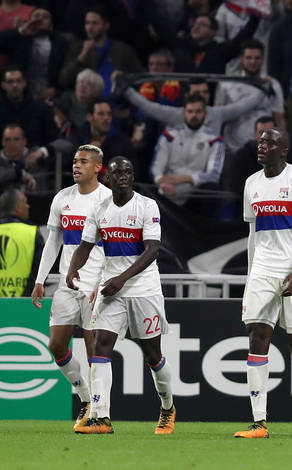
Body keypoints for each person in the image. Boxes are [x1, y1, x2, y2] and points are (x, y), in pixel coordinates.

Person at [69, 156, 175, 435]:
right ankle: (100, 417)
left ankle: (167, 407)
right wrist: (72, 269)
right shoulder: (99, 208)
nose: (124, 176)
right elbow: (85, 246)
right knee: (101, 346)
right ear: (108, 178)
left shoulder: (147, 206)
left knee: (153, 355)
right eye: (118, 173)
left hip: (143, 289)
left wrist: (122, 279)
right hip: (111, 289)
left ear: (133, 176)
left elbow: (152, 250)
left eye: (128, 171)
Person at [235, 127, 292, 439]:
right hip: (263, 269)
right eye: (260, 141)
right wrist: (251, 274)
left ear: (284, 150)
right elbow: (252, 235)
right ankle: (259, 422)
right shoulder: (251, 183)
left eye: (269, 142)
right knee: (257, 336)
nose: (262, 146)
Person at [30, 145, 110, 432]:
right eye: (75, 161)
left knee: (93, 350)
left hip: (95, 285)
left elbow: (114, 246)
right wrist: (40, 279)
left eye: (84, 162)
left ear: (98, 167)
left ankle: (100, 413)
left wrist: (103, 282)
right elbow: (53, 241)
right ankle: (86, 398)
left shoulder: (108, 200)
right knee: (56, 345)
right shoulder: (62, 198)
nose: (77, 165)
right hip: (67, 282)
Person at [121, 78, 265, 139]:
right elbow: (149, 107)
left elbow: (243, 105)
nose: (201, 96)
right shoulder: (177, 115)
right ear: (187, 95)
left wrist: (263, 90)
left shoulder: (217, 113)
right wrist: (126, 90)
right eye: (197, 93)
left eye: (205, 92)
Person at [150, 93, 224, 205]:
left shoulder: (214, 139)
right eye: (190, 111)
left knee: (212, 187)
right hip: (167, 191)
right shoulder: (169, 135)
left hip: (196, 196)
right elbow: (156, 167)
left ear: (205, 113)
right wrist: (161, 181)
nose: (194, 115)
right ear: (184, 113)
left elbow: (214, 174)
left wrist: (182, 179)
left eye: (198, 111)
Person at [214, 39, 285, 152]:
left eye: (257, 58)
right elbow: (217, 118)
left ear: (263, 59)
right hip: (233, 148)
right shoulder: (226, 83)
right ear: (241, 58)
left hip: (265, 149)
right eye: (248, 58)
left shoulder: (273, 85)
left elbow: (279, 118)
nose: (253, 62)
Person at [58, 8, 142, 97]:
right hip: (89, 102)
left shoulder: (122, 49)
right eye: (87, 23)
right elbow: (63, 80)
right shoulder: (78, 49)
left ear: (106, 26)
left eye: (95, 23)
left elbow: (140, 76)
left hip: (119, 101)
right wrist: (81, 56)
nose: (90, 27)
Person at [0, 7, 68, 101]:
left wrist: (57, 90)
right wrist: (20, 31)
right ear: (29, 21)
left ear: (51, 25)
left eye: (45, 17)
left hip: (48, 94)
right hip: (19, 92)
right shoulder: (19, 38)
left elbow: (65, 71)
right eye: (36, 16)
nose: (40, 19)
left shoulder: (61, 42)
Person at [0, 65, 57, 148]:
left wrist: (42, 151)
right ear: (3, 85)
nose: (15, 85)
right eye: (10, 82)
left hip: (35, 152)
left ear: (24, 83)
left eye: (18, 81)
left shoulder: (41, 108)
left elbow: (53, 138)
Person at [0, 187, 42, 296]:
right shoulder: (32, 233)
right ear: (17, 207)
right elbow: (41, 272)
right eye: (25, 202)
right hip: (24, 302)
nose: (28, 206)